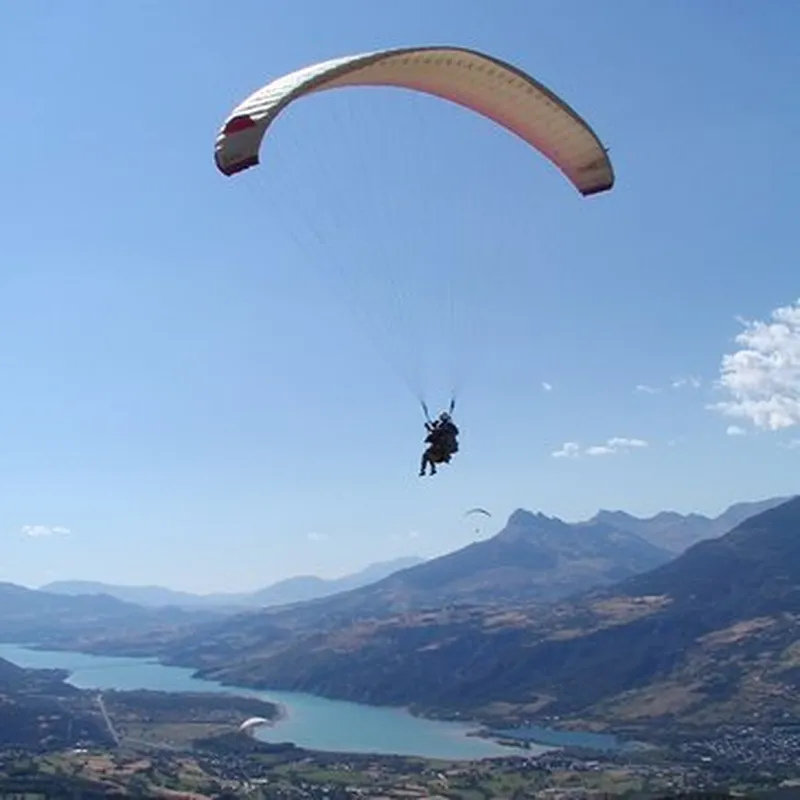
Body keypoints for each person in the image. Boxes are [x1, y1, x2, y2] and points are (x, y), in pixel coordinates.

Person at [419, 411, 460, 476]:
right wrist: (431, 427)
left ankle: (429, 469)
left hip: (442, 451)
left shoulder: (448, 427)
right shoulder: (445, 426)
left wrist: (429, 428)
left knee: (427, 455)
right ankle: (431, 469)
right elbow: (436, 432)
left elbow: (437, 432)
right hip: (440, 450)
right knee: (427, 454)